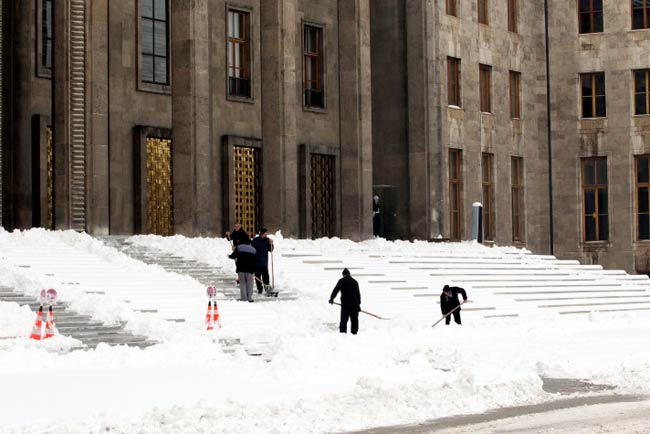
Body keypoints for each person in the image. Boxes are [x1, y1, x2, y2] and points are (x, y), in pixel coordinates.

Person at [329, 268, 361, 334]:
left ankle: (343, 334)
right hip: (354, 305)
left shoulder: (341, 281)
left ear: (343, 275)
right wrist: (358, 305)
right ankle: (354, 333)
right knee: (354, 320)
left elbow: (335, 290)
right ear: (349, 274)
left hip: (345, 305)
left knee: (344, 320)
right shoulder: (355, 281)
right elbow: (358, 294)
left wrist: (332, 298)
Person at [228, 237, 257, 302]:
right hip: (250, 269)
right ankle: (249, 298)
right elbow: (255, 261)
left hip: (241, 268)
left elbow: (233, 256)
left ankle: (243, 298)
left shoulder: (239, 247)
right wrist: (254, 270)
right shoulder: (254, 249)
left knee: (242, 283)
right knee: (250, 283)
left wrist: (229, 256)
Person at [251, 228, 275, 296]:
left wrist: (271, 244)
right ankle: (259, 289)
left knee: (266, 277)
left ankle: (267, 289)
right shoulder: (255, 240)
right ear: (262, 233)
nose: (267, 234)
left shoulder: (267, 240)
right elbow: (252, 249)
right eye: (266, 233)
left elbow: (270, 250)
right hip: (256, 262)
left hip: (264, 262)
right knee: (257, 277)